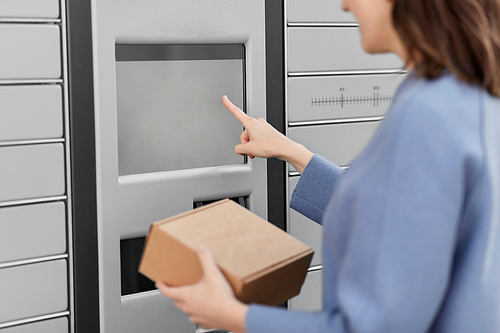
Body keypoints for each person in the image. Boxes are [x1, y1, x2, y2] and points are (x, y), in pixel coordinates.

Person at [156, 0, 500, 332]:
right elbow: (404, 222)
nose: (344, 5)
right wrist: (294, 153)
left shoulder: (425, 115)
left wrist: (233, 316)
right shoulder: (470, 97)